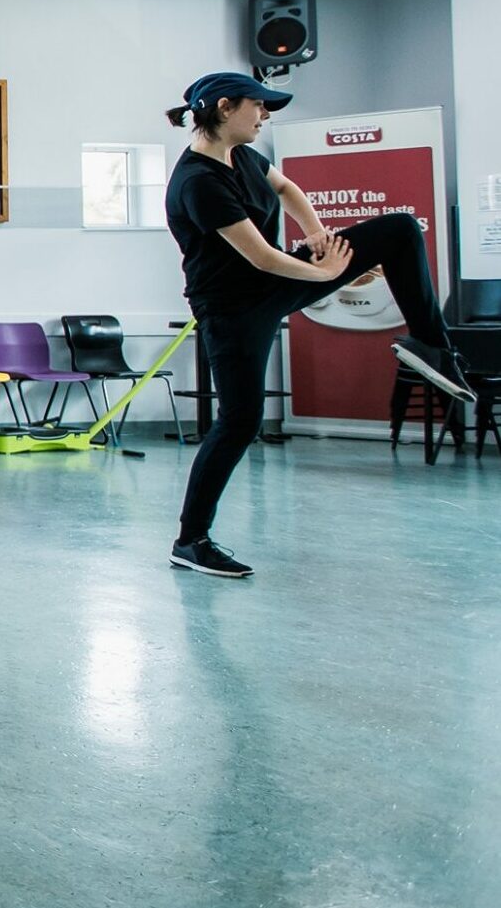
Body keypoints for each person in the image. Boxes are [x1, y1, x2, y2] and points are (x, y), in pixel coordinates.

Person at [163, 71, 472, 579]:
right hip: (233, 309)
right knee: (240, 421)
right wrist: (326, 270)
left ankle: (432, 348)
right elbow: (260, 257)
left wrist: (321, 240)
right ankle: (191, 540)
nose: (264, 116)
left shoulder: (242, 157)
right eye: (259, 107)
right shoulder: (198, 182)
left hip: (278, 282)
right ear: (224, 107)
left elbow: (286, 188)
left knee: (397, 230)